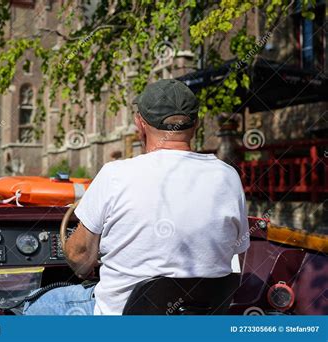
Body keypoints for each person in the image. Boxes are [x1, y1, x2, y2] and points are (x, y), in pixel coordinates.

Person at [23, 79, 250, 315]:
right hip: (200, 321)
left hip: (119, 319)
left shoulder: (115, 175)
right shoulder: (228, 176)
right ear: (196, 124)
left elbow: (80, 261)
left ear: (140, 124)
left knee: (34, 304)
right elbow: (239, 256)